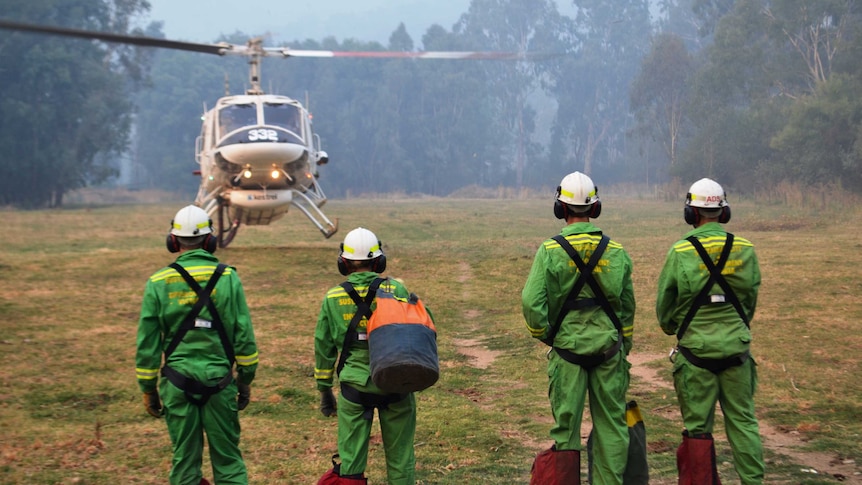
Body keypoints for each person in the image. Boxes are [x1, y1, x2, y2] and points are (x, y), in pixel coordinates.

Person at [522, 172, 635, 485]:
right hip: (609, 352)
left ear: (560, 208)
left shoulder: (550, 251)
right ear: (595, 208)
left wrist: (547, 336)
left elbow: (532, 304)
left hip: (567, 353)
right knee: (613, 426)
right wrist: (624, 344)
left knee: (566, 431)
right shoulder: (616, 251)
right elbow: (627, 307)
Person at [136, 205, 259, 485]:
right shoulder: (228, 278)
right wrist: (245, 381)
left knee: (185, 465)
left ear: (174, 241)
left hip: (177, 385)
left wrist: (148, 390)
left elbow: (147, 344)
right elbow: (244, 337)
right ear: (209, 241)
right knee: (228, 462)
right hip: (220, 384)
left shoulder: (158, 282)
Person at [656, 178, 763, 484]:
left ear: (691, 213)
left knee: (698, 432)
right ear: (723, 211)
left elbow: (666, 308)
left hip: (696, 355)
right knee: (743, 422)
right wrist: (736, 328)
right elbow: (750, 301)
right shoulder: (745, 249)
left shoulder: (680, 251)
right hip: (737, 353)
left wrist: (675, 327)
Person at [314, 227, 424, 485]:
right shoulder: (396, 289)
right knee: (400, 459)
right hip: (395, 384)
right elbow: (421, 326)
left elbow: (323, 347)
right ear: (379, 261)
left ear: (343, 262)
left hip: (354, 389)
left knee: (350, 465)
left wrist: (324, 390)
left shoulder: (332, 297)